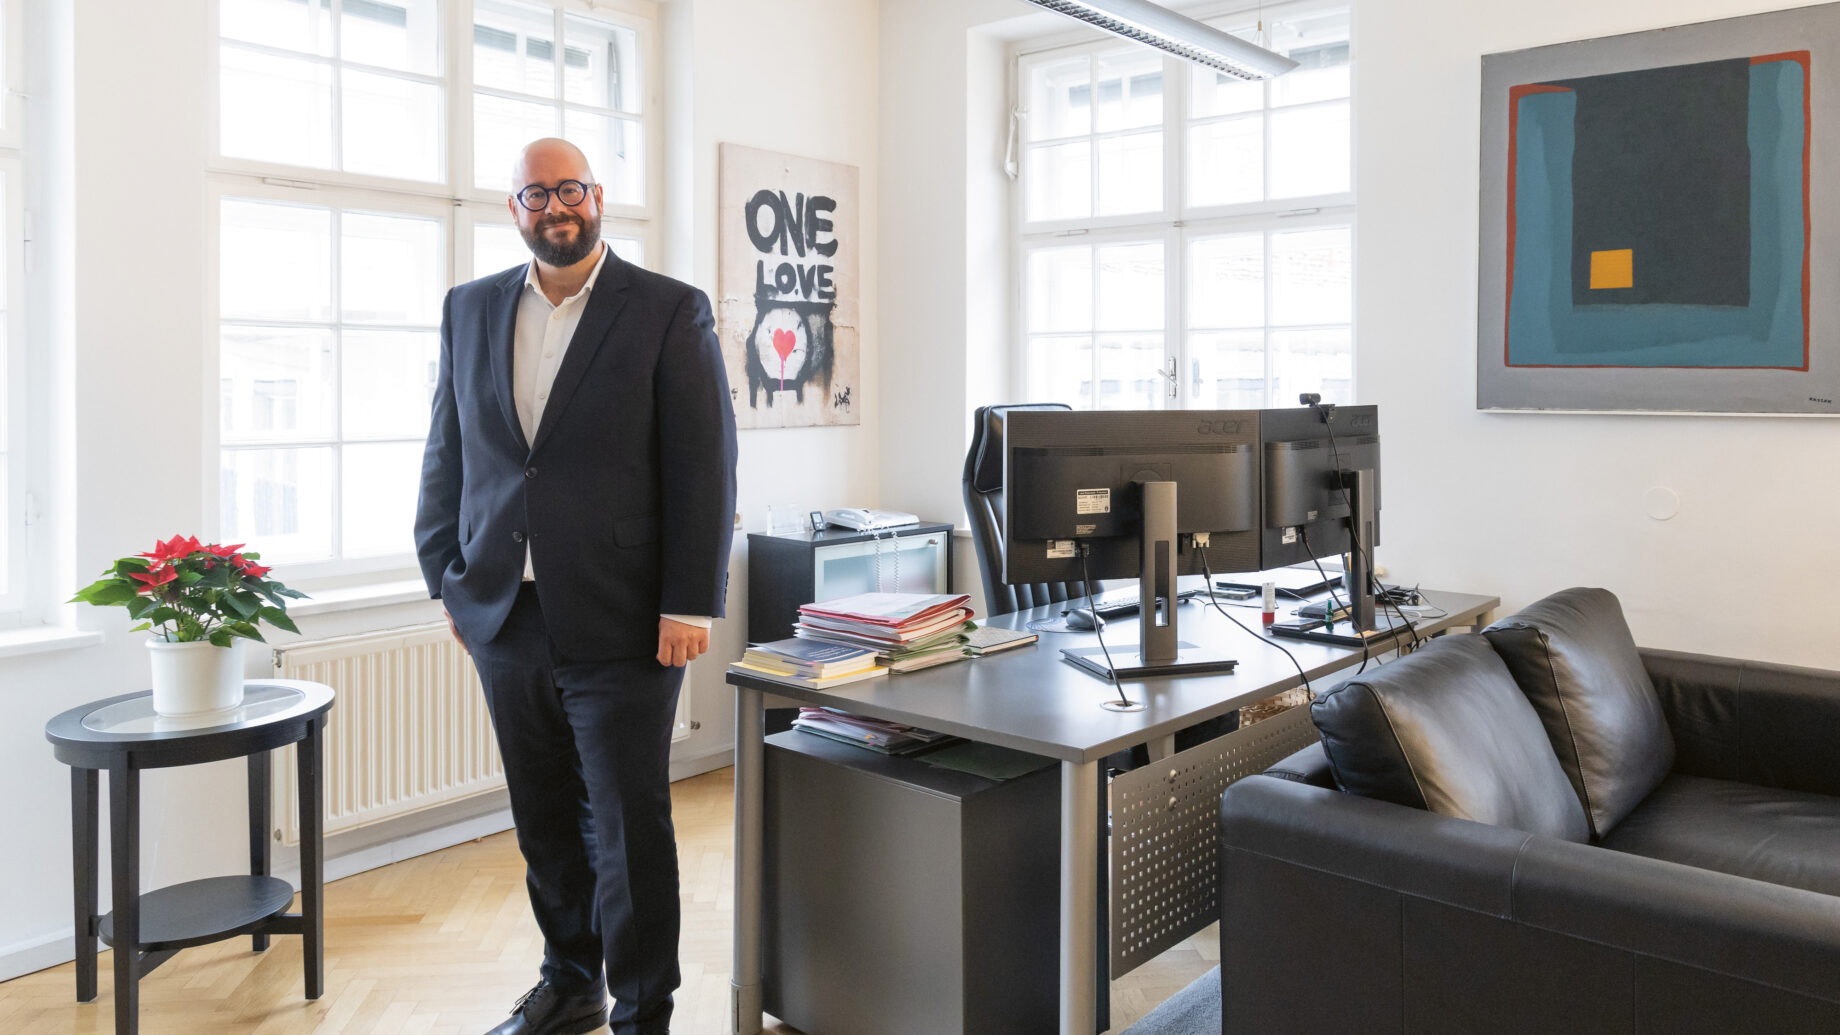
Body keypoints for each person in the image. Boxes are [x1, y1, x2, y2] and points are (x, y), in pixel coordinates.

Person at [415, 137, 737, 1035]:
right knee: (545, 815)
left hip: (629, 618)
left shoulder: (669, 311)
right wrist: (447, 575)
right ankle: (570, 983)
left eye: (571, 189)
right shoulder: (470, 309)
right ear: (512, 209)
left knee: (630, 830)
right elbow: (449, 453)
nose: (555, 207)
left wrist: (689, 600)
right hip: (503, 614)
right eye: (534, 195)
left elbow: (704, 465)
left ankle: (644, 1010)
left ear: (599, 196)